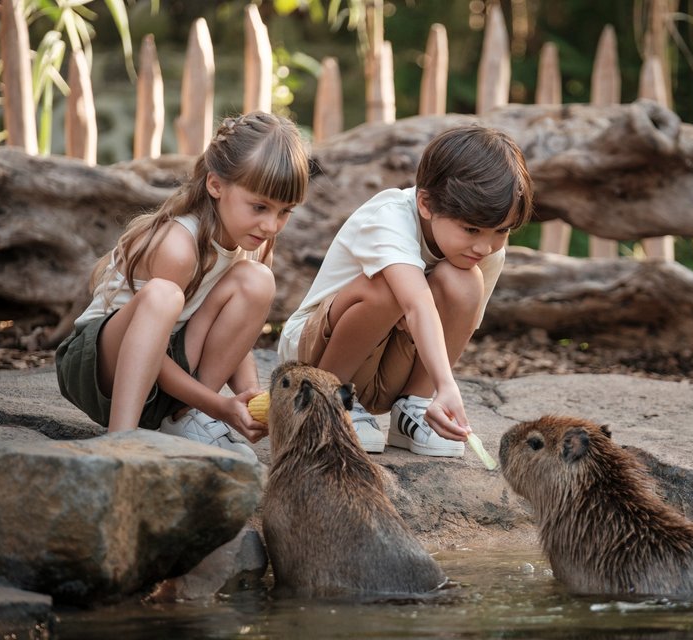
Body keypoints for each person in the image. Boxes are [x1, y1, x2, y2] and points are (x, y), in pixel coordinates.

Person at [56, 111, 310, 459]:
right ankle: (119, 444)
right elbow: (150, 351)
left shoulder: (250, 242)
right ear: (216, 184)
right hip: (103, 370)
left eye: (284, 212)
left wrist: (246, 398)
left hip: (164, 373)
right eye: (260, 206)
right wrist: (219, 405)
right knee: (163, 296)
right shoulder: (179, 246)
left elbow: (236, 337)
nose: (271, 225)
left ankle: (187, 419)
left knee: (258, 281)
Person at [278, 124, 533, 457]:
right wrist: (448, 384)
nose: (485, 246)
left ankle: (414, 410)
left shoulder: (483, 250)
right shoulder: (389, 218)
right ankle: (326, 404)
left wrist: (435, 390)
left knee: (465, 282)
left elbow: (460, 319)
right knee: (388, 289)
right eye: (471, 229)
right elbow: (415, 305)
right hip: (315, 358)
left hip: (385, 365)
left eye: (501, 231)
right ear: (426, 203)